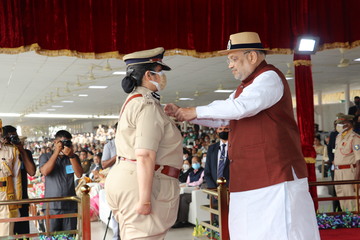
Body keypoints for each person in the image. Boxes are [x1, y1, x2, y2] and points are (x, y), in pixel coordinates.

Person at [165, 32, 320, 240]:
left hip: (274, 176)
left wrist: (192, 111)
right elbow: (223, 117)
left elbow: (240, 108)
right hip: (250, 178)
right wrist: (186, 115)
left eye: (234, 58)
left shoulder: (269, 77)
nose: (230, 65)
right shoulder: (243, 89)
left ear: (253, 57)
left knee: (280, 232)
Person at [105, 47, 183, 239]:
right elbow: (145, 154)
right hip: (140, 185)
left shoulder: (133, 101)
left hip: (126, 177)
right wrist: (145, 200)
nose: (162, 76)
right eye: (160, 71)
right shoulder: (146, 105)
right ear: (149, 75)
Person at [39, 130, 83, 232]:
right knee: (52, 236)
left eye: (68, 142)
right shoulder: (45, 156)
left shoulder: (73, 157)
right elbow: (45, 171)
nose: (65, 145)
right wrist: (56, 152)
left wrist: (71, 156)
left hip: (70, 205)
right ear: (55, 142)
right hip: (51, 206)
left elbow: (79, 174)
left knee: (69, 236)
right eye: (62, 142)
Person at [2, 125, 36, 236]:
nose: (13, 140)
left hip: (22, 200)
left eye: (15, 137)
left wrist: (21, 151)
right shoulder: (3, 154)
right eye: (10, 137)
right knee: (7, 232)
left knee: (23, 233)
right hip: (7, 201)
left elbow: (31, 172)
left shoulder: (25, 153)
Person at [333, 113, 360, 211]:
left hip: (349, 172)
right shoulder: (339, 137)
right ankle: (347, 220)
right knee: (341, 197)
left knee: (351, 198)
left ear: (349, 124)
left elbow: (358, 160)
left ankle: (355, 222)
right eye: (339, 123)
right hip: (338, 172)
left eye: (343, 123)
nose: (340, 125)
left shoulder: (355, 138)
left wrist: (356, 181)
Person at [0, 120, 22, 237]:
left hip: (6, 197)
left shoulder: (12, 151)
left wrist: (16, 202)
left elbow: (16, 179)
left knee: (6, 234)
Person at [173, 156, 204, 228]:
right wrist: (187, 185)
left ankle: (183, 221)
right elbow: (187, 182)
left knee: (184, 198)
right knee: (180, 196)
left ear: (200, 163)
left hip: (197, 191)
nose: (194, 164)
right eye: (193, 162)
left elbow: (199, 182)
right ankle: (176, 219)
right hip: (190, 190)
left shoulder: (203, 171)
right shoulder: (191, 173)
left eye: (196, 162)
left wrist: (189, 184)